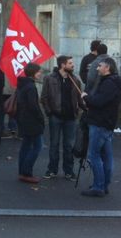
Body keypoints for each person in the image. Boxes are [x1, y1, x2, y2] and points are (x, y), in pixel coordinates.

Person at [80, 57, 121, 197]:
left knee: (94, 155)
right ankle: (103, 185)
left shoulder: (109, 83)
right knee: (106, 156)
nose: (97, 68)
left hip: (100, 123)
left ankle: (98, 187)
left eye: (99, 66)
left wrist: (85, 97)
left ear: (107, 67)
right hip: (106, 123)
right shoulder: (112, 82)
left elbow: (99, 102)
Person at [40, 55, 82, 180]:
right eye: (70, 63)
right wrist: (49, 113)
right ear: (62, 65)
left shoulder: (75, 79)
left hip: (70, 118)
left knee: (69, 145)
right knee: (54, 144)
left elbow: (80, 99)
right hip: (56, 117)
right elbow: (44, 97)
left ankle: (68, 171)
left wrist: (79, 111)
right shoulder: (49, 78)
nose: (72, 65)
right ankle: (52, 169)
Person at [17, 63, 45, 184]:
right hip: (32, 121)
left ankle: (22, 171)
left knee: (26, 145)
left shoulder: (23, 84)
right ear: (33, 72)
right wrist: (41, 117)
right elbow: (33, 106)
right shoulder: (31, 87)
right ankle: (26, 171)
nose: (40, 74)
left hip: (24, 119)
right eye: (39, 72)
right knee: (37, 146)